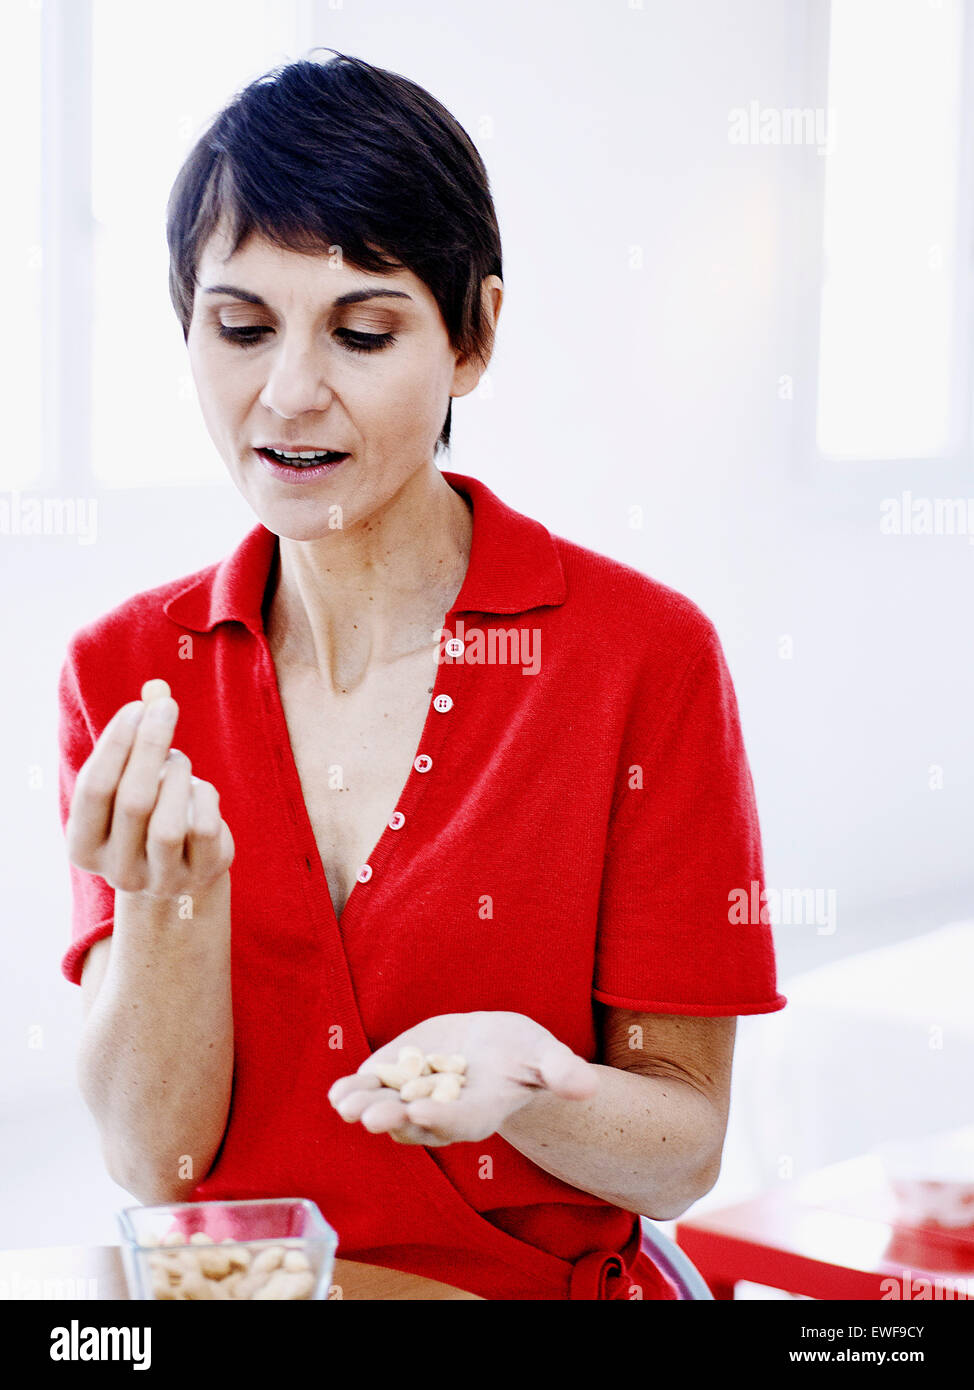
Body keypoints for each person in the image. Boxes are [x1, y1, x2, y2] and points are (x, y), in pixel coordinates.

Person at [57, 51, 786, 1301]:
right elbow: (157, 1170)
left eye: (361, 329)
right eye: (239, 327)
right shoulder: (131, 674)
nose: (287, 393)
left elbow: (679, 1158)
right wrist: (171, 915)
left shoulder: (640, 658)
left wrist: (536, 1083)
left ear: (473, 336)